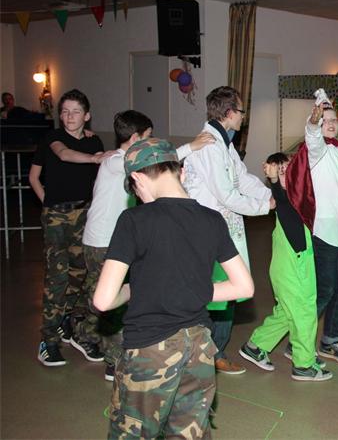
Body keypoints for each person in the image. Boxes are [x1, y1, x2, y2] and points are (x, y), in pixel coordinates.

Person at [93, 138, 254, 439]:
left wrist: (133, 289)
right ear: (181, 172)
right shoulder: (212, 219)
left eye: (135, 189)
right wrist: (193, 291)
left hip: (150, 350)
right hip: (200, 347)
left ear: (138, 178)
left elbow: (103, 300)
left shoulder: (133, 220)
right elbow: (244, 286)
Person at [79, 110, 213, 380]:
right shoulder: (115, 162)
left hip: (117, 238)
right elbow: (155, 165)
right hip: (102, 240)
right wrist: (190, 147)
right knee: (108, 300)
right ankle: (112, 358)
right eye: (148, 137)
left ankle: (83, 332)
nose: (151, 144)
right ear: (135, 138)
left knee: (109, 296)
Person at [183, 86, 274, 375]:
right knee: (219, 295)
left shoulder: (224, 141)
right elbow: (226, 195)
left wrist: (270, 195)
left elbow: (241, 178)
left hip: (221, 228)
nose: (243, 117)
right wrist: (264, 207)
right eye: (242, 111)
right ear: (230, 112)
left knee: (225, 294)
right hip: (207, 230)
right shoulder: (210, 145)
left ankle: (211, 352)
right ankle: (212, 354)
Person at [284, 89, 338, 364]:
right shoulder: (316, 151)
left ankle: (330, 339)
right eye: (325, 120)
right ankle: (299, 341)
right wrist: (312, 122)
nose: (330, 124)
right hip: (324, 232)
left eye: (333, 120)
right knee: (325, 290)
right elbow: (312, 136)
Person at [29, 89, 107, 366]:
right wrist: (48, 203)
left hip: (83, 214)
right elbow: (58, 159)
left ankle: (69, 323)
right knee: (57, 277)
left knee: (82, 272)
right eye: (64, 111)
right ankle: (48, 340)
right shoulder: (53, 138)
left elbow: (98, 179)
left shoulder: (93, 140)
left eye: (75, 112)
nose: (69, 116)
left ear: (86, 116)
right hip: (56, 217)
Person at [240, 153, 331, 382]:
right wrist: (273, 180)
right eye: (280, 171)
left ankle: (255, 346)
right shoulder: (284, 200)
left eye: (289, 170)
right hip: (292, 269)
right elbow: (281, 196)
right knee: (303, 315)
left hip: (296, 266)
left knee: (287, 313)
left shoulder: (298, 200)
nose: (286, 175)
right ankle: (303, 365)